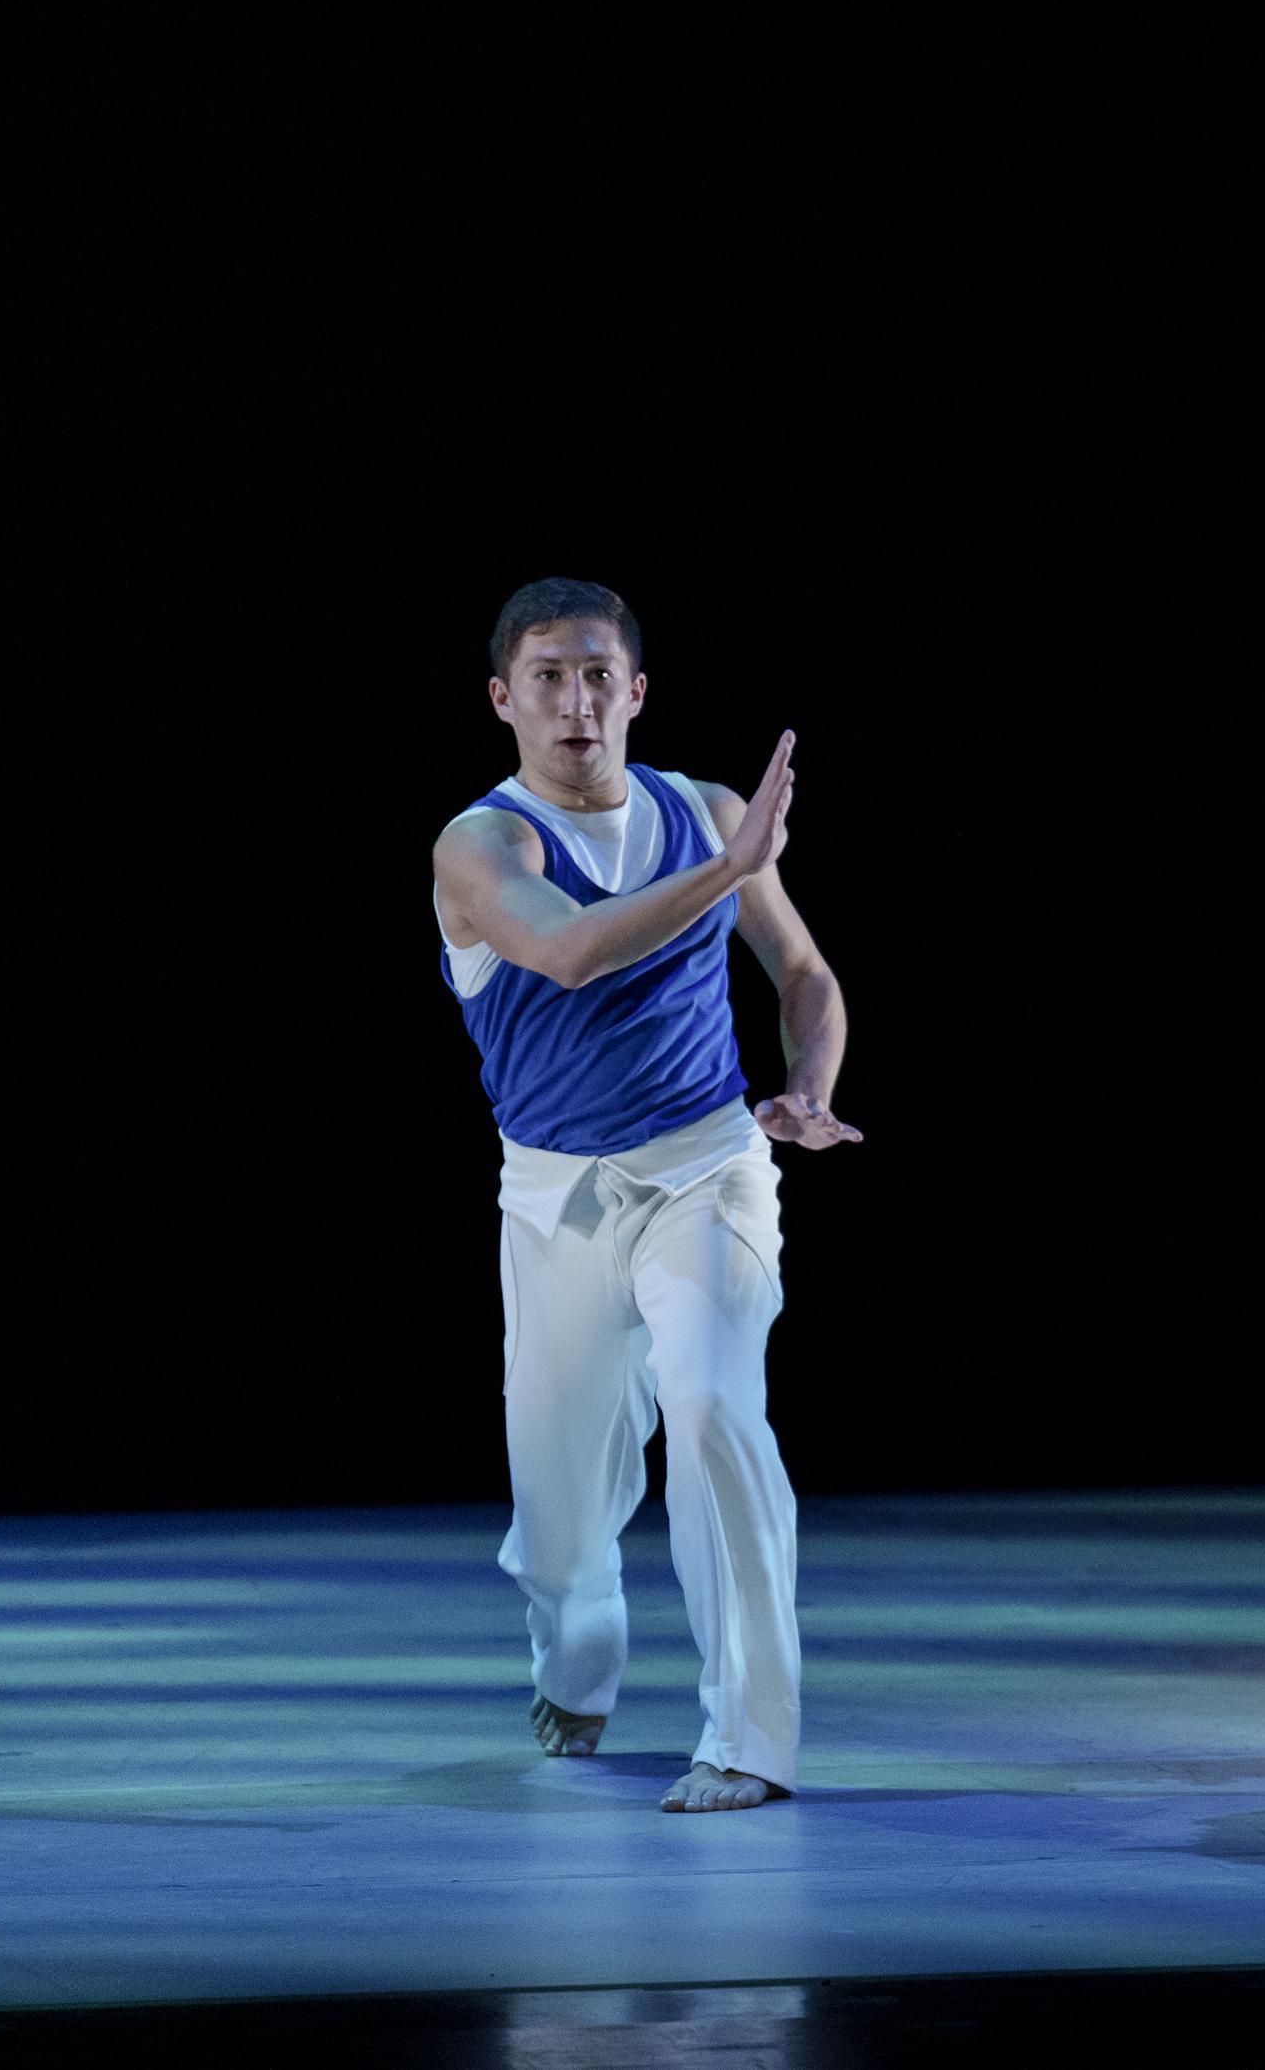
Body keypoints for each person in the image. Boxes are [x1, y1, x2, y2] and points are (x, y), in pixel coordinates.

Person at [431, 578, 862, 1814]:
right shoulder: (482, 844)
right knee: (563, 1516)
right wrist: (726, 869)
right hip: (556, 1201)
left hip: (707, 1169)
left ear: (637, 691)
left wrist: (809, 1084)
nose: (579, 702)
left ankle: (749, 1739)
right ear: (507, 698)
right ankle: (580, 1650)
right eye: (551, 677)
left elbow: (806, 972)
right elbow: (568, 953)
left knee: (717, 1406)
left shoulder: (706, 811)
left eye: (600, 675)